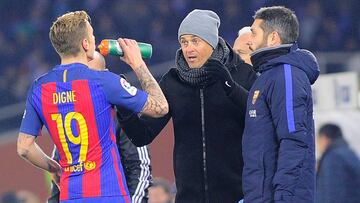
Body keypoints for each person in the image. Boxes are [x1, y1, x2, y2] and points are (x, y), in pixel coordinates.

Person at [17, 10, 168, 203]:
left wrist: (54, 168)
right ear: (85, 44)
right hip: (109, 194)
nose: (95, 40)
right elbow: (160, 107)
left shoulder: (39, 87)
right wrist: (138, 63)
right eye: (92, 35)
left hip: (70, 195)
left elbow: (24, 147)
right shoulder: (103, 81)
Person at [118, 9, 257, 202]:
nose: (189, 48)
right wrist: (124, 106)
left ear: (211, 42)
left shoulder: (242, 74)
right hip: (188, 197)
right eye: (184, 42)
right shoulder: (173, 82)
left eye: (195, 41)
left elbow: (258, 116)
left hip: (238, 196)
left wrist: (228, 85)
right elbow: (142, 135)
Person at [47, 51, 152, 203]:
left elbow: (139, 167)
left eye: (92, 75)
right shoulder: (68, 119)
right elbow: (60, 172)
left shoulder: (123, 114)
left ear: (105, 75)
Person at [242, 6, 320, 203]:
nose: (249, 39)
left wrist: (285, 198)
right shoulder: (269, 75)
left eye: (253, 32)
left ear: (273, 38)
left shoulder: (286, 75)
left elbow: (294, 141)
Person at [316, 123, 360, 203]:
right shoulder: (348, 153)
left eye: (318, 141)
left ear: (324, 138)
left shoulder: (334, 158)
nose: (318, 145)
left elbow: (333, 193)